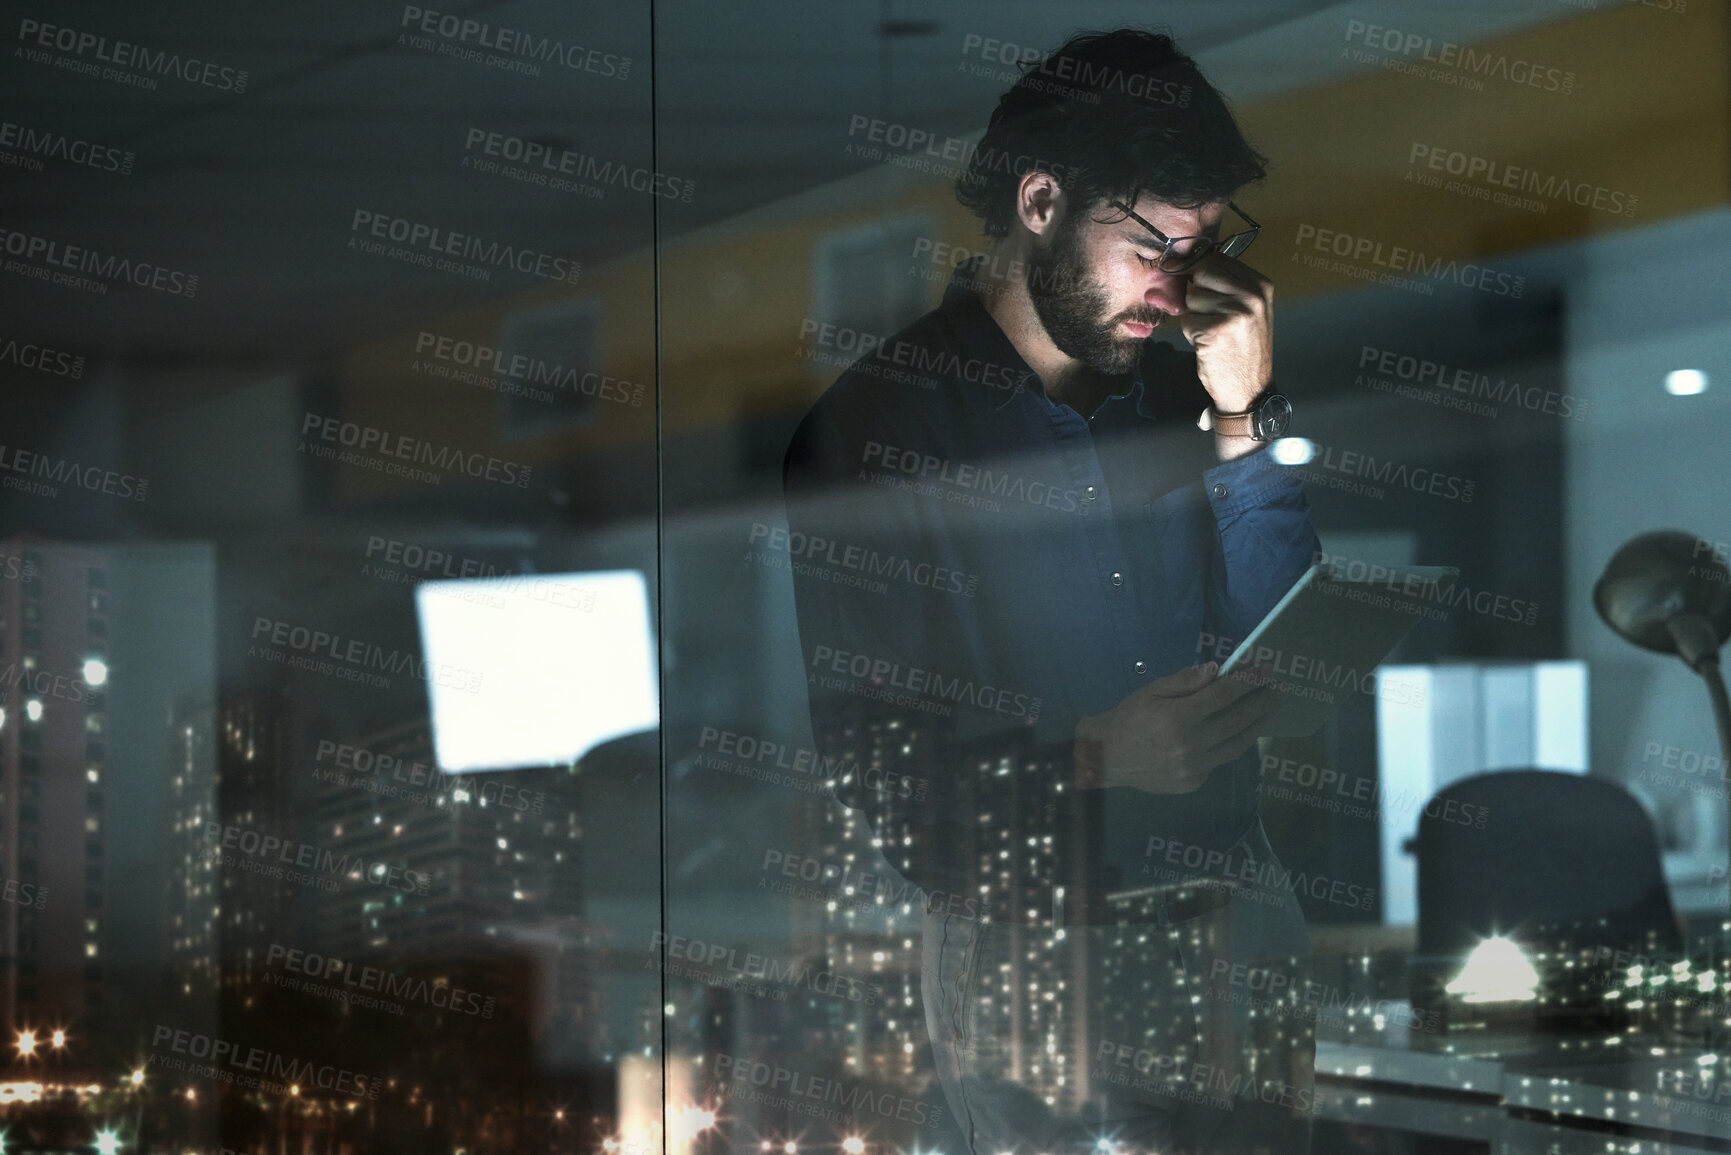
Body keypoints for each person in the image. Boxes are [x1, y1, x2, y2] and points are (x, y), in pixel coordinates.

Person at [783, 28, 1319, 1154]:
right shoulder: (878, 429)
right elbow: (879, 771)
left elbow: (1281, 630)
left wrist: (1243, 420)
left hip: (1237, 907)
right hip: (1038, 944)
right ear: (1040, 203)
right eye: (1157, 247)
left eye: (1206, 245)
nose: (1184, 288)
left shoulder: (1193, 386)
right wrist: (1095, 760)